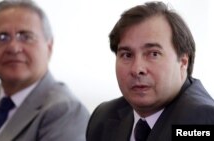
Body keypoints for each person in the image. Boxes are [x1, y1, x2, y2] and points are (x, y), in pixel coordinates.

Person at [86, 1, 214, 141]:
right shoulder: (103, 118)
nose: (137, 69)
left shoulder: (203, 119)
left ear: (183, 61)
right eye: (127, 55)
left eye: (153, 54)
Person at [0, 0, 90, 141]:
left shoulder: (66, 112)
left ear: (49, 47)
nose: (13, 47)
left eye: (25, 37)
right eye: (1, 38)